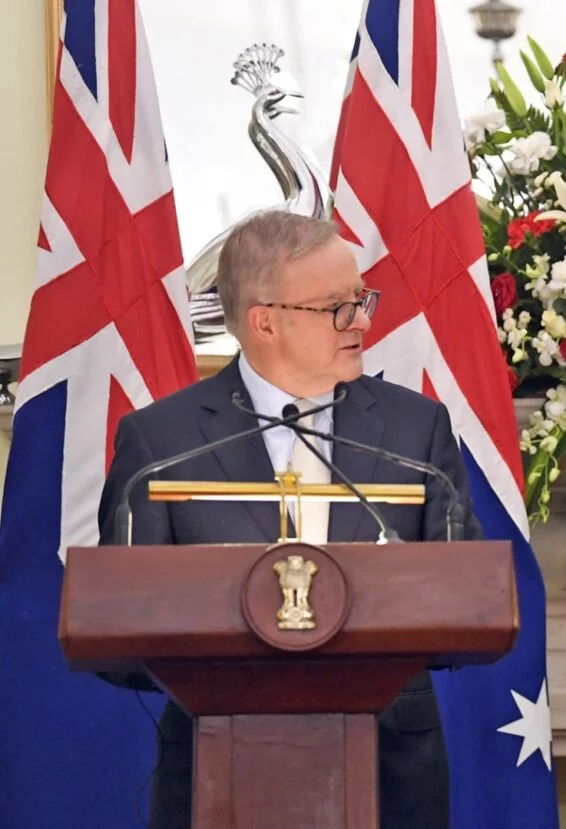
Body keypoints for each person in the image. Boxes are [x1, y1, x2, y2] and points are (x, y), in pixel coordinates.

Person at [96, 210, 480, 829]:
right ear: (264, 321)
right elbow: (114, 629)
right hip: (214, 762)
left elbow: (467, 603)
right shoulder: (160, 442)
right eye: (335, 307)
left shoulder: (416, 430)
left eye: (361, 300)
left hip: (392, 771)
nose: (359, 321)